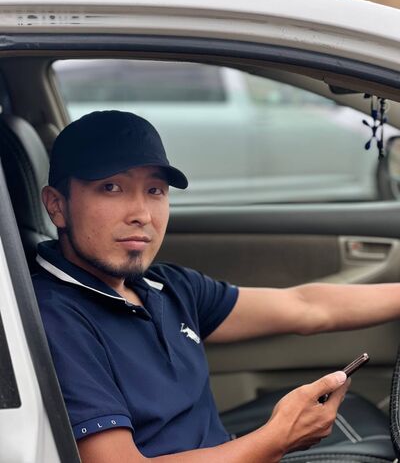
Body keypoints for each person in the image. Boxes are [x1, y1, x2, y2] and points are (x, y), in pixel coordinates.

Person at [33, 110, 399, 463]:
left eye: (155, 190)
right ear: (57, 205)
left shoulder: (166, 287)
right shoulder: (53, 317)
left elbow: (306, 306)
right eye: (111, 188)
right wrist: (278, 437)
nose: (141, 214)